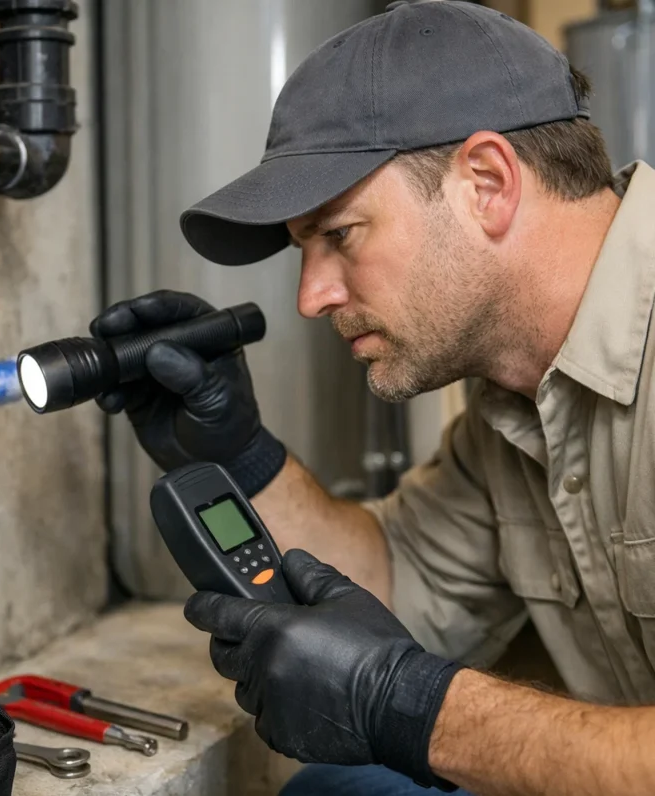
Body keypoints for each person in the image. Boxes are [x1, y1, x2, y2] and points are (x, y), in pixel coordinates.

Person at [90, 2, 655, 794]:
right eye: (301, 249)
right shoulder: (512, 409)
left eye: (340, 235)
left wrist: (417, 710)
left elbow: (401, 689)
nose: (310, 297)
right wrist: (237, 455)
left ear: (486, 183)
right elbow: (387, 587)